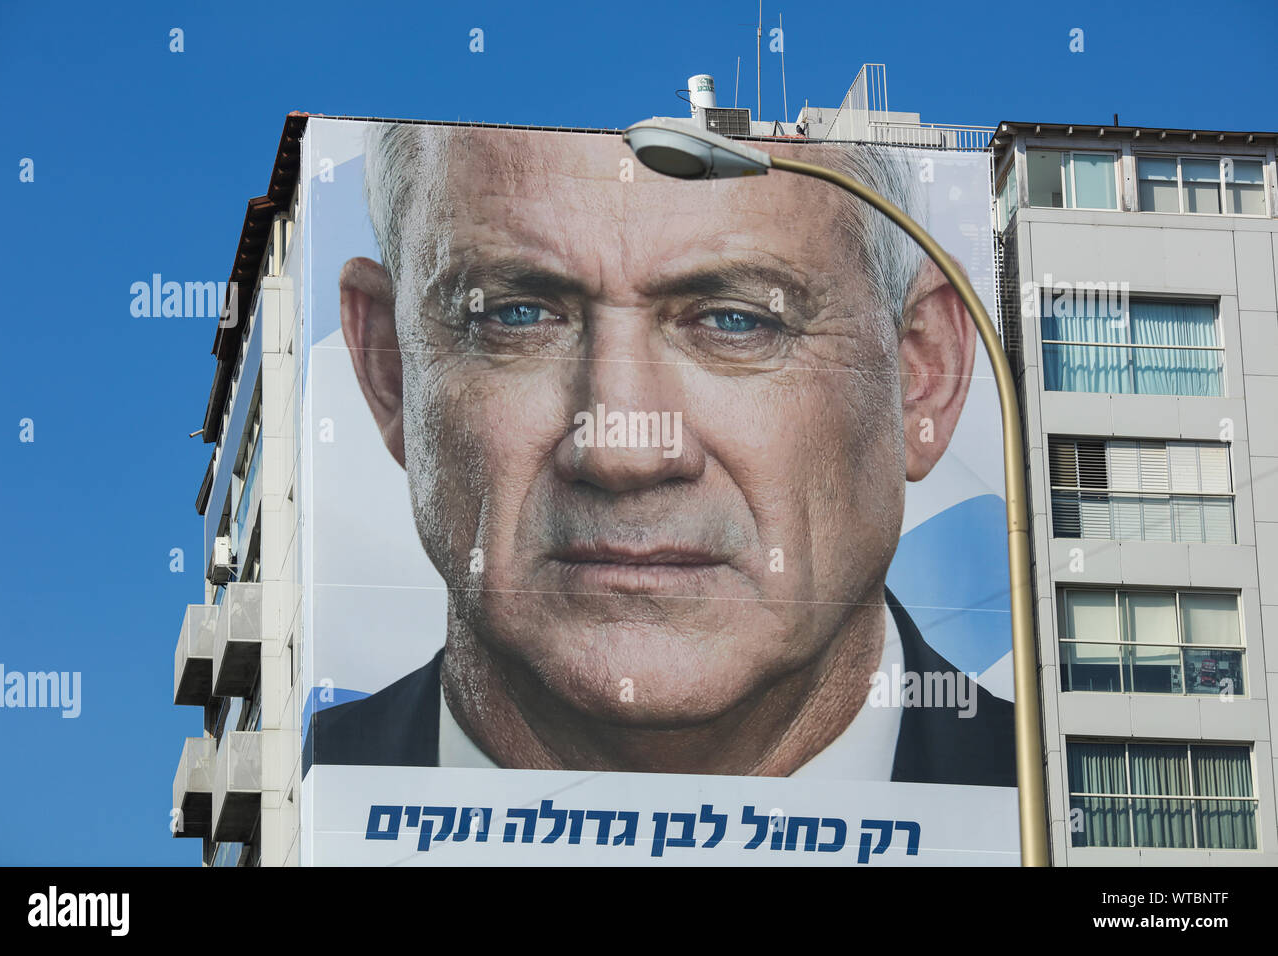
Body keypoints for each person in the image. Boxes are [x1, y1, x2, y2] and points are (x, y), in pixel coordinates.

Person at [304, 122, 1014, 786]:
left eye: (736, 322)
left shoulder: (1068, 808)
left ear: (922, 374)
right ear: (389, 368)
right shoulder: (297, 803)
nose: (623, 451)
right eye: (516, 316)